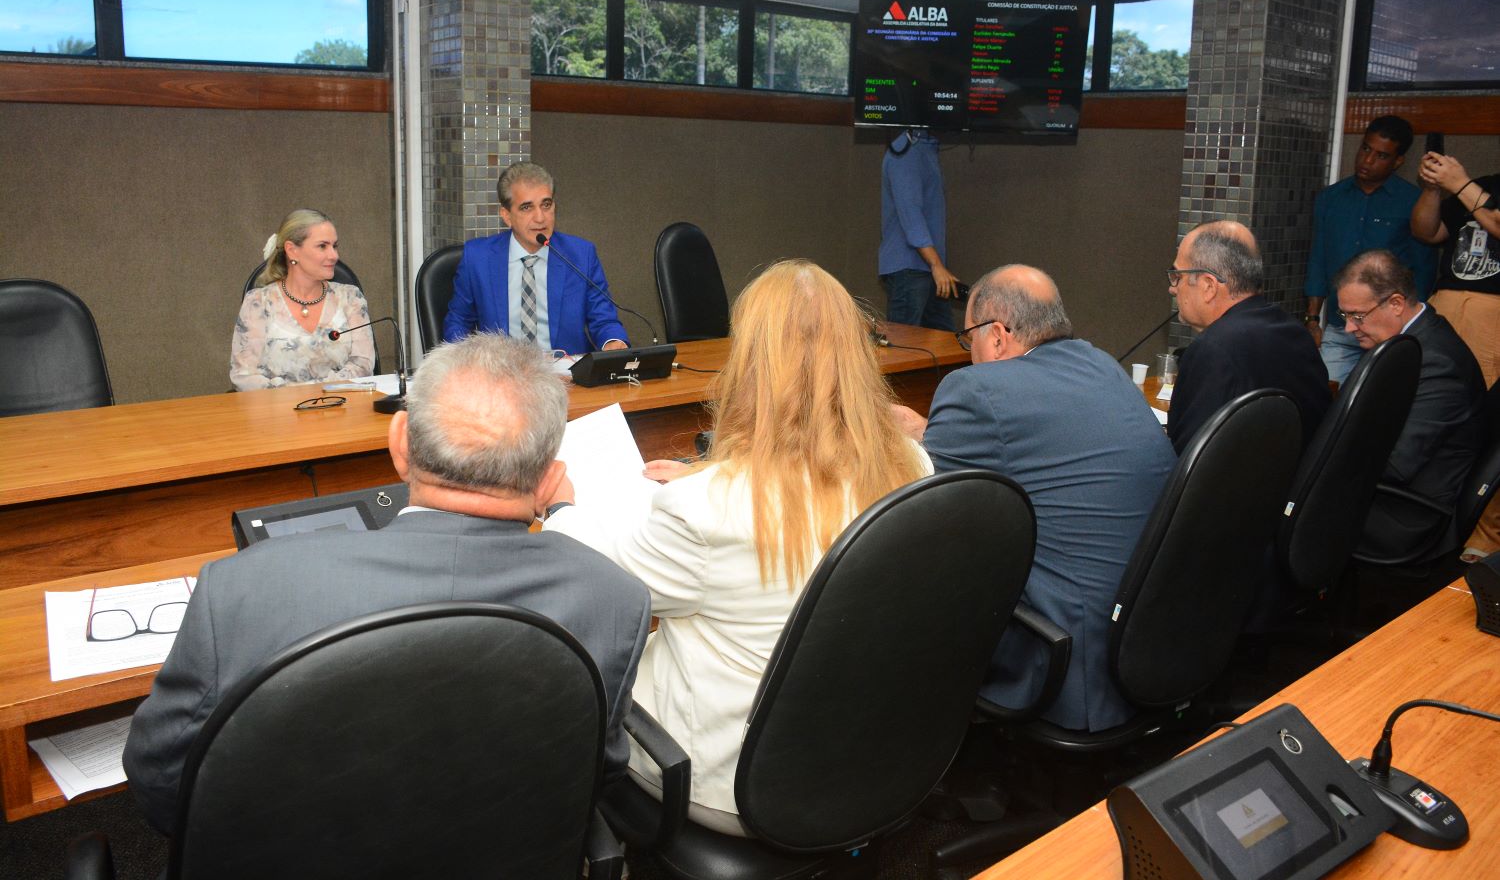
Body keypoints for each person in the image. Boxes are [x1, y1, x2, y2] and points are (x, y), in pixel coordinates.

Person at [125, 335, 652, 835]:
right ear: (548, 480)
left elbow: (164, 788)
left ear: (399, 443)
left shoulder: (239, 589)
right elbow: (595, 775)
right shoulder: (614, 600)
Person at [542, 260, 931, 834]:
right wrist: (708, 475)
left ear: (749, 364)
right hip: (867, 750)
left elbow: (600, 581)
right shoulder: (913, 465)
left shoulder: (709, 509)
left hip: (733, 781)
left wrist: (560, 508)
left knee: (570, 677)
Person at [892, 265, 1174, 732]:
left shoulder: (976, 389)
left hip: (1068, 657)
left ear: (997, 336)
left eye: (968, 338)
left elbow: (927, 515)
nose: (969, 353)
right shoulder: (1102, 364)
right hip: (1149, 636)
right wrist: (930, 432)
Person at [1333, 250, 1485, 563]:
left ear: (1396, 304)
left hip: (1404, 517)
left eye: (1357, 316)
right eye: (1344, 315)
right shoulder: (1405, 339)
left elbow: (1395, 466)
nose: (1349, 328)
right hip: (1385, 495)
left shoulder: (1437, 363)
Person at [1168, 220, 1331, 453]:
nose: (1172, 288)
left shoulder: (1213, 349)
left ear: (1208, 286)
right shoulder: (1295, 331)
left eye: (1178, 276)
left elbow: (1188, 457)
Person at [1412, 150, 1500, 561]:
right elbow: (1425, 231)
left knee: (1487, 423)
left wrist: (1461, 184)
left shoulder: (1469, 185)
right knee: (1430, 412)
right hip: (1444, 308)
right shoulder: (1484, 183)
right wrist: (1434, 189)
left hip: (1491, 316)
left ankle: (1485, 536)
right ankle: (1427, 521)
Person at [442, 161, 628, 354]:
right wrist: (465, 361)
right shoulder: (477, 258)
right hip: (504, 369)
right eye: (527, 208)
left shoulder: (580, 255)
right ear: (506, 216)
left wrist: (613, 342)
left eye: (546, 205)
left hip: (566, 369)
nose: (540, 218)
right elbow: (458, 322)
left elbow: (604, 319)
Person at [1304, 115, 1434, 383]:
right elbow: (1318, 258)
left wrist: (1411, 329)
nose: (1367, 160)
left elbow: (1423, 268)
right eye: (1365, 148)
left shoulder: (1412, 202)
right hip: (1341, 327)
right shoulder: (1331, 198)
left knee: (1382, 398)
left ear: (1398, 161)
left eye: (1381, 155)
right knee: (1324, 392)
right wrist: (1312, 318)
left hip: (1389, 329)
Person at [230, 208, 375, 390]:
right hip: (277, 407)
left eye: (334, 246)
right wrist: (296, 397)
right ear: (292, 250)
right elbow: (244, 375)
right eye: (322, 246)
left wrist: (320, 394)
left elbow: (363, 365)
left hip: (341, 403)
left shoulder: (351, 298)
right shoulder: (258, 302)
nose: (334, 255)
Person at [880, 128, 958, 329]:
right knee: (906, 343)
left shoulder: (926, 149)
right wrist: (936, 264)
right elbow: (911, 214)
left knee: (944, 341)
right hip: (911, 270)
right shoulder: (905, 152)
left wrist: (936, 266)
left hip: (927, 268)